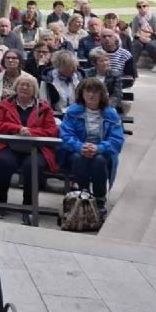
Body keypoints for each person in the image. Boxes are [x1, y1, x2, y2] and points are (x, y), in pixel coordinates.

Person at [0, 72, 59, 223]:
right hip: (9, 144)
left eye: (29, 85)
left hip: (36, 147)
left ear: (34, 90)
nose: (25, 87)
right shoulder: (5, 104)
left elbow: (52, 131)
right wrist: (16, 128)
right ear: (16, 87)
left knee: (32, 166)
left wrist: (31, 132)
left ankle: (28, 206)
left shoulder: (44, 108)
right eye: (22, 84)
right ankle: (0, 202)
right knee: (3, 162)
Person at [59, 78, 125, 218]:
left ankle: (100, 200)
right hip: (78, 150)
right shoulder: (72, 112)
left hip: (102, 152)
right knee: (78, 158)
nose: (91, 95)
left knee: (99, 161)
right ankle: (84, 195)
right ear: (81, 93)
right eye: (88, 91)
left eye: (96, 91)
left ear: (102, 94)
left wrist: (98, 148)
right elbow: (66, 135)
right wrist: (79, 146)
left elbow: (117, 140)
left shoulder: (111, 114)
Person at [129, 1, 156, 71]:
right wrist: (140, 38)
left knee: (149, 45)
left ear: (148, 7)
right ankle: (133, 65)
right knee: (137, 45)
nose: (142, 8)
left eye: (144, 6)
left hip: (153, 38)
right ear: (137, 8)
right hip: (140, 38)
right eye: (139, 7)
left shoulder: (154, 17)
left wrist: (149, 38)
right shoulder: (136, 18)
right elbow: (133, 33)